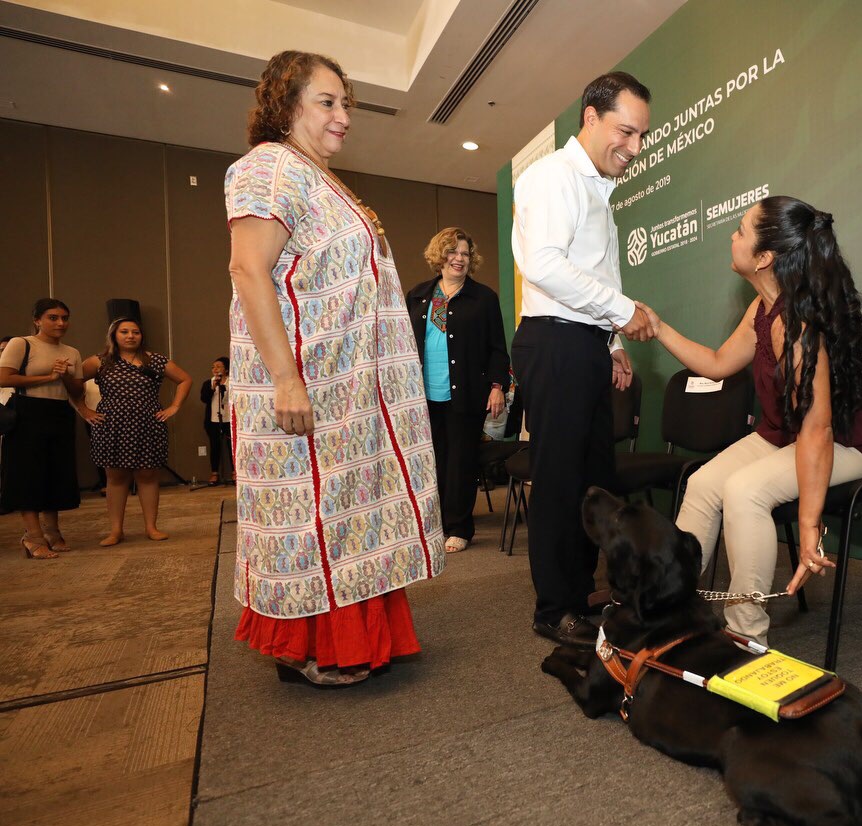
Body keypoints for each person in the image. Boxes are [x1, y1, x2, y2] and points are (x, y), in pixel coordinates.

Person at [225, 50, 444, 688]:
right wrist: (287, 379)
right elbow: (247, 270)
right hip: (311, 382)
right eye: (328, 102)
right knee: (315, 513)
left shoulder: (319, 177)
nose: (343, 116)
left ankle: (342, 641)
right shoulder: (269, 167)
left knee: (346, 511)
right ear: (286, 107)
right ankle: (315, 645)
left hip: (347, 390)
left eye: (346, 103)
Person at [638, 196, 862, 644]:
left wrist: (811, 526)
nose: (732, 237)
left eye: (740, 231)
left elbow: (819, 430)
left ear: (764, 257)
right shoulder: (762, 310)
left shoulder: (797, 324)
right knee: (702, 483)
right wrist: (659, 328)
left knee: (745, 492)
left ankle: (745, 638)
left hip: (847, 444)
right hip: (784, 436)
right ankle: (670, 606)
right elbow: (717, 362)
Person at [511, 71, 657, 649]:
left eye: (642, 135)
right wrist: (621, 312)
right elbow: (545, 266)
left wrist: (613, 342)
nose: (636, 147)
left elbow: (595, 273)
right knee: (558, 480)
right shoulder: (551, 178)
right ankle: (555, 607)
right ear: (591, 118)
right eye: (627, 130)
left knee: (595, 479)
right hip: (553, 342)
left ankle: (581, 588)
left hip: (587, 344)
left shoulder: (598, 188)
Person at [407, 228, 510, 553]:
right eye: (453, 252)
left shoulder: (483, 298)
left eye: (465, 253)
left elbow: (497, 348)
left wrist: (497, 386)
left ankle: (460, 527)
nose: (459, 259)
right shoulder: (420, 296)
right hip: (423, 394)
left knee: (461, 463)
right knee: (433, 461)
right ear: (440, 256)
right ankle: (435, 523)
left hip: (465, 393)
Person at [82, 318, 192, 546]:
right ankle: (115, 531)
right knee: (115, 477)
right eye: (124, 332)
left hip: (147, 424)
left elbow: (184, 379)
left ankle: (151, 527)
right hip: (112, 425)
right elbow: (72, 383)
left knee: (148, 475)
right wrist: (84, 410)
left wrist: (174, 406)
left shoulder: (154, 360)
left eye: (136, 332)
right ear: (114, 335)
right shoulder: (99, 361)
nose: (131, 336)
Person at [0, 299, 92, 558]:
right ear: (37, 320)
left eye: (65, 317)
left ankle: (53, 531)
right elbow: (3, 377)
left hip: (59, 412)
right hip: (27, 412)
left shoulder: (72, 351)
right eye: (53, 317)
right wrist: (48, 377)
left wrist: (64, 377)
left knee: (56, 472)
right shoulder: (23, 343)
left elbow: (77, 390)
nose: (61, 323)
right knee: (29, 474)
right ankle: (33, 536)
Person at [199, 357, 233, 485]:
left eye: (219, 366)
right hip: (213, 420)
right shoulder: (208, 383)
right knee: (215, 446)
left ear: (226, 369)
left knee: (231, 447)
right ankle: (214, 474)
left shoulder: (232, 382)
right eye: (213, 367)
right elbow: (204, 399)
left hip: (229, 419)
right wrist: (213, 388)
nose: (215, 369)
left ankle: (235, 473)